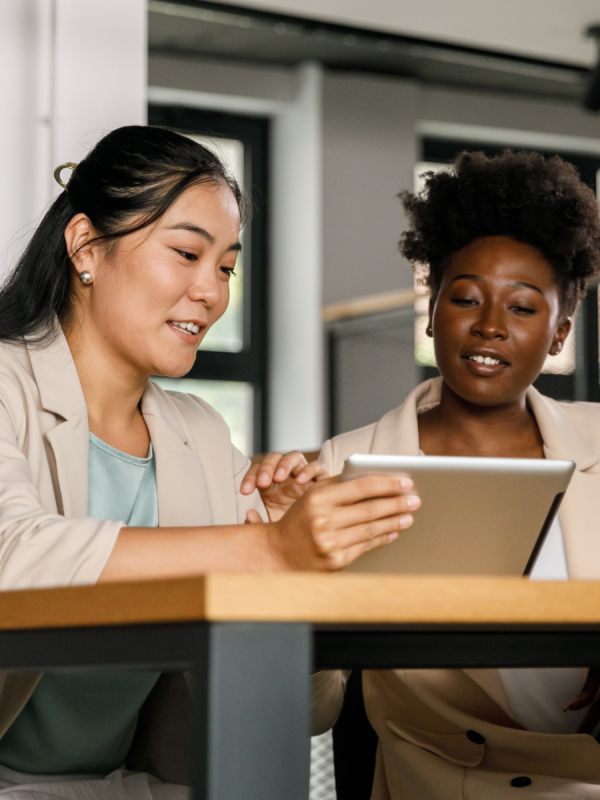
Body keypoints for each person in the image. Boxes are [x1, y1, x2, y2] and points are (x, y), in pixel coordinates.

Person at [0, 125, 420, 798]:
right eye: (186, 254)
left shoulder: (199, 433)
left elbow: (311, 711)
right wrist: (265, 547)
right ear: (85, 246)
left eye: (225, 267)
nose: (212, 293)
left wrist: (296, 572)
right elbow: (14, 556)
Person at [312, 150, 600, 799]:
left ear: (560, 334)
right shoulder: (344, 466)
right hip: (439, 785)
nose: (490, 326)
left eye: (522, 309)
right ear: (432, 308)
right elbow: (314, 708)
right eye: (466, 298)